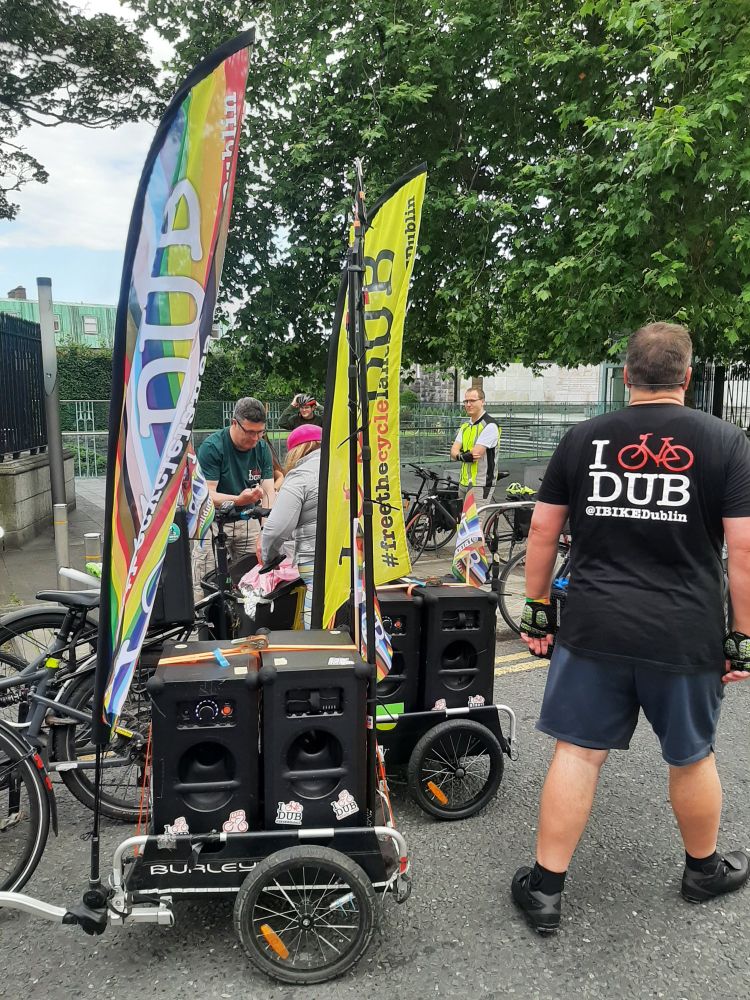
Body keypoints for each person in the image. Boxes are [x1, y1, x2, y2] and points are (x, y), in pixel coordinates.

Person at [512, 322, 750, 935]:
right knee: (692, 757)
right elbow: (744, 552)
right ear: (687, 377)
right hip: (685, 630)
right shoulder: (727, 443)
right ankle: (702, 870)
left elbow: (542, 532)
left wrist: (538, 609)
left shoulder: (583, 438)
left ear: (625, 377)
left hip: (595, 626)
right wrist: (742, 637)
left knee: (579, 753)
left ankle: (545, 889)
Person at [191, 397, 276, 596]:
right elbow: (207, 495)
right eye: (250, 432)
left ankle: (244, 623)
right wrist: (238, 500)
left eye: (260, 432)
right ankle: (202, 623)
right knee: (205, 579)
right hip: (213, 520)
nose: (255, 439)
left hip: (248, 520)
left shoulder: (262, 449)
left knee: (252, 576)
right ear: (234, 423)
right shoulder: (213, 447)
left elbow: (269, 492)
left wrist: (265, 528)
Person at [260, 423, 322, 629]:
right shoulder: (348, 469)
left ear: (296, 450)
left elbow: (276, 529)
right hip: (355, 562)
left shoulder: (300, 476)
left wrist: (270, 558)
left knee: (318, 630)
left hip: (317, 564)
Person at [450, 386, 500, 501]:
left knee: (475, 519)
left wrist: (459, 454)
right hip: (464, 482)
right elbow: (453, 452)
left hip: (480, 484)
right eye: (466, 401)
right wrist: (462, 455)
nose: (468, 404)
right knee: (462, 519)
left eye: (472, 400)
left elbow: (475, 454)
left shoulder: (490, 425)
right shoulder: (465, 426)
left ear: (482, 402)